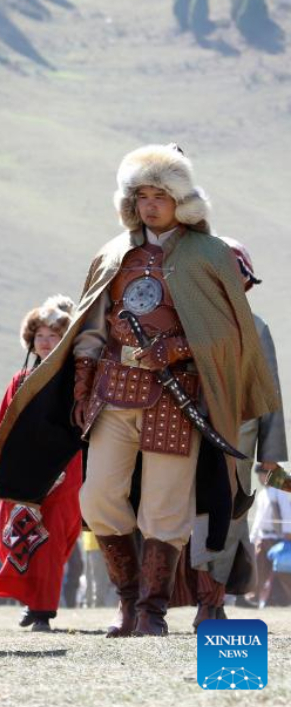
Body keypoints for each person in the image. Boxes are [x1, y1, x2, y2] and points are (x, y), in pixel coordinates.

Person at [0, 144, 278, 637]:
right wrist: (82, 385)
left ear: (180, 200)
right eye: (141, 196)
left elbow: (230, 333)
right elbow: (91, 329)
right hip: (114, 392)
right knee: (99, 497)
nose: (150, 205)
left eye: (159, 196)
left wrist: (177, 348)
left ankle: (150, 611)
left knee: (165, 507)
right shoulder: (113, 254)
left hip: (177, 397)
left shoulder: (210, 255)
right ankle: (126, 602)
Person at [173, 237, 286, 627]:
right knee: (176, 511)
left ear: (245, 282)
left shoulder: (257, 328)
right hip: (184, 428)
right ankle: (157, 599)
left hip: (238, 435)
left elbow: (268, 393)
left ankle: (211, 600)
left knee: (229, 515)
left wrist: (269, 456)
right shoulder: (181, 322)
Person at [0, 296, 83, 631]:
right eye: (40, 336)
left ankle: (42, 611)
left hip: (63, 472)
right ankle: (32, 602)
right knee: (17, 538)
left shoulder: (77, 380)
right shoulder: (20, 380)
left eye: (54, 336)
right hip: (21, 474)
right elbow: (0, 426)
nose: (46, 342)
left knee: (51, 541)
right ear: (31, 340)